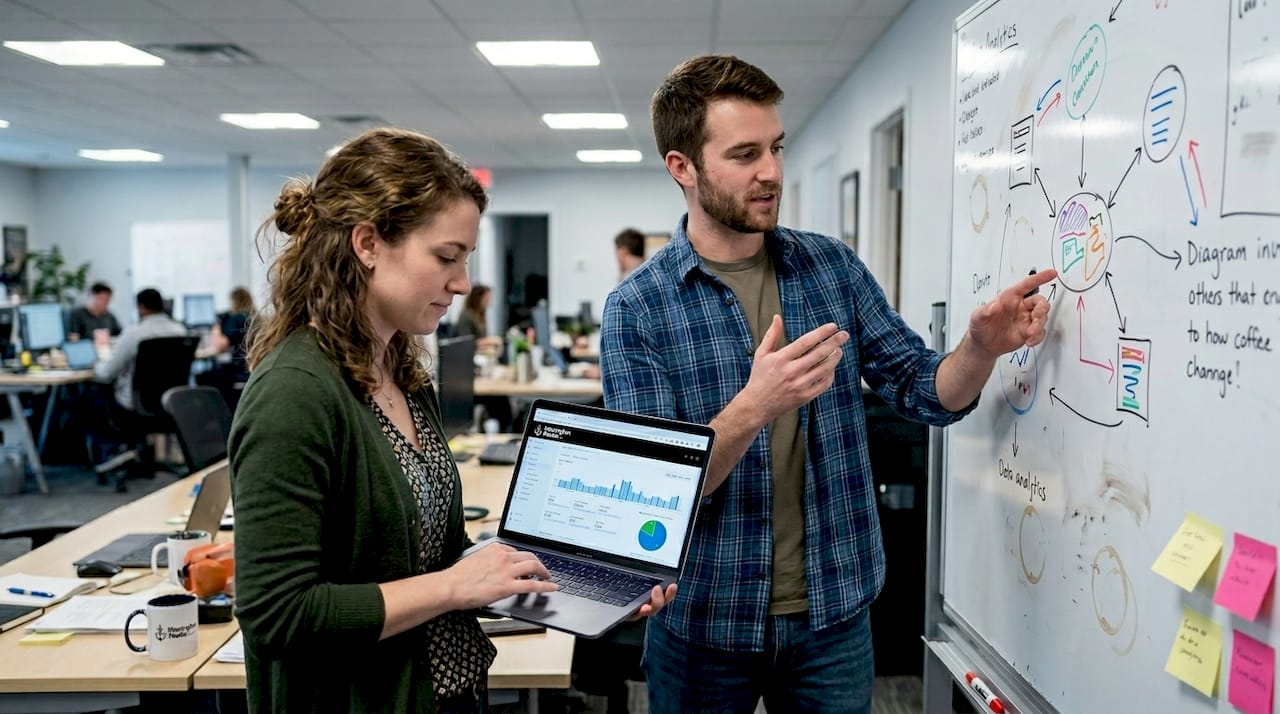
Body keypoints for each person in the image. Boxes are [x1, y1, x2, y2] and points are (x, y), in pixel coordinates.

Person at [599, 55, 1054, 714]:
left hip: (832, 614)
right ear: (683, 168)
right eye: (746, 153)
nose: (772, 172)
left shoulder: (830, 268)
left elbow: (927, 392)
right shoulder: (638, 307)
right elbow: (650, 493)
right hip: (704, 621)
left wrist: (980, 349)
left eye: (777, 148)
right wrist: (757, 405)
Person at [228, 127, 674, 713]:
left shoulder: (402, 375)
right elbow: (276, 615)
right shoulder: (295, 392)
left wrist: (542, 576)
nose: (462, 283)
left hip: (444, 690)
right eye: (446, 257)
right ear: (367, 243)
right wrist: (454, 586)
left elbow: (427, 556)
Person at [93, 287, 186, 411]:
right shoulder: (180, 331)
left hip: (136, 404)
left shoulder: (134, 334)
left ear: (141, 307)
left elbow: (106, 374)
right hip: (170, 401)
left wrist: (96, 365)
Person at [196, 286, 254, 407]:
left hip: (240, 372)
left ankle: (211, 414)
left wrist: (217, 325)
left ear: (234, 301)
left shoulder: (238, 317)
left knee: (203, 376)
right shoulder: (255, 316)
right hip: (251, 370)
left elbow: (220, 346)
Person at [452, 284, 502, 351]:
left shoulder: (480, 315)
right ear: (477, 298)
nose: (489, 302)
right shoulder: (466, 315)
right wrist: (489, 341)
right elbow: (465, 342)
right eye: (487, 298)